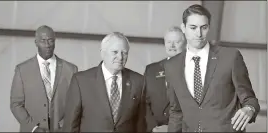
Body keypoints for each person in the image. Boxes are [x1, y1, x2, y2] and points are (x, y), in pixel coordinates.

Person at [164, 4, 260, 132]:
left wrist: (249, 109)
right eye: (193, 28)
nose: (199, 34)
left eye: (203, 27)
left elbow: (250, 100)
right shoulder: (172, 66)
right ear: (183, 28)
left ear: (209, 27)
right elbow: (176, 112)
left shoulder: (230, 58)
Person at [62, 32, 146, 132]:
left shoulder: (138, 81)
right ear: (102, 53)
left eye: (124, 52)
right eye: (115, 52)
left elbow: (141, 124)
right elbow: (70, 126)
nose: (120, 57)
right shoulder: (81, 81)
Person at [10, 25, 78, 132]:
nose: (47, 45)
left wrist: (65, 124)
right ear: (36, 42)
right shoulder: (22, 70)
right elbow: (16, 104)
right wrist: (33, 127)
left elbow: (76, 103)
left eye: (51, 40)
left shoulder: (71, 70)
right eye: (43, 40)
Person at [144, 26, 186, 132]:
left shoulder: (195, 70)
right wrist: (154, 128)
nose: (172, 46)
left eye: (176, 42)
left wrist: (172, 128)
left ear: (185, 43)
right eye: (168, 42)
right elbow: (144, 102)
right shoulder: (151, 70)